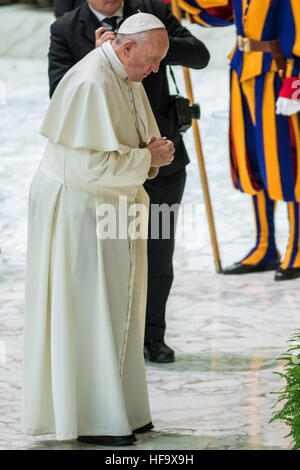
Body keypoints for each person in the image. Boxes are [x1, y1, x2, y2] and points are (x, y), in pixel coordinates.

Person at [23, 13, 175, 446]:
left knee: (117, 306)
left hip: (109, 205)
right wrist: (149, 160)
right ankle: (92, 418)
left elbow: (136, 141)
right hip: (79, 210)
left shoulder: (124, 73)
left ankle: (121, 410)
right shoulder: (92, 82)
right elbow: (87, 168)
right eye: (150, 60)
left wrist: (150, 151)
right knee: (89, 310)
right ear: (126, 47)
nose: (155, 70)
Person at [48, 0, 210, 363]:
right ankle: (117, 338)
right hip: (108, 166)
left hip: (163, 160)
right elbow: (59, 93)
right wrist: (100, 58)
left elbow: (200, 56)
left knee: (158, 248)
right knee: (116, 253)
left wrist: (152, 46)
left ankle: (153, 336)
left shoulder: (151, 9)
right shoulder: (67, 26)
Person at [179, 0, 300, 281]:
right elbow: (219, 12)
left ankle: (298, 247)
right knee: (252, 159)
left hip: (278, 72)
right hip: (243, 68)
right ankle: (265, 246)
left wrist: (294, 81)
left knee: (285, 160)